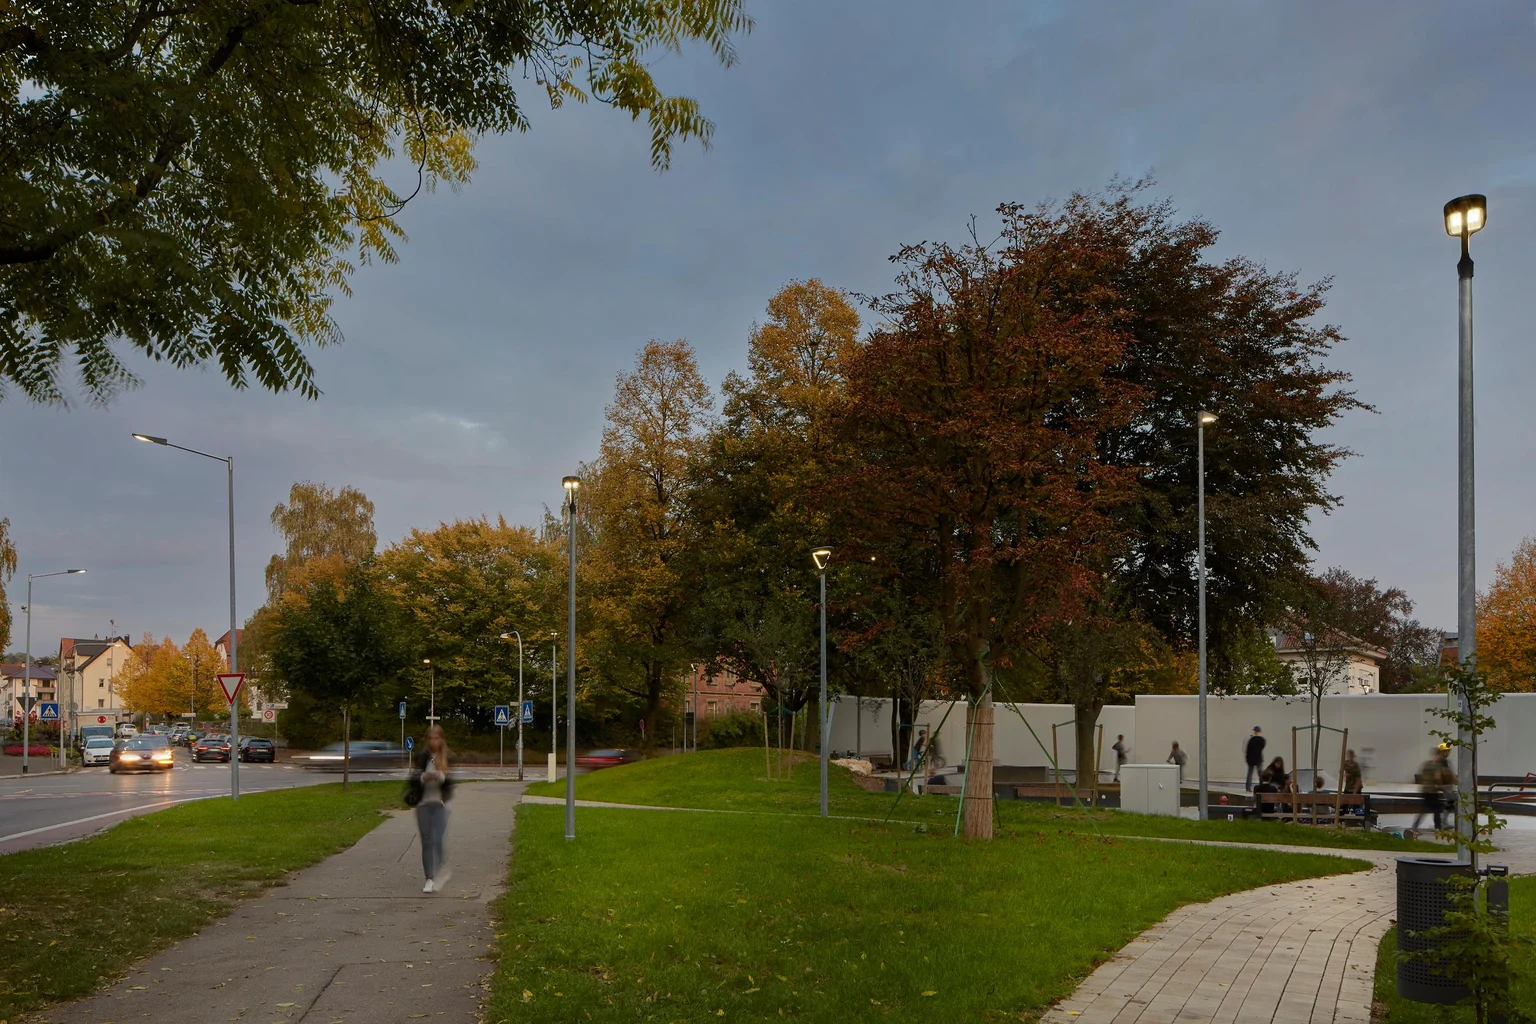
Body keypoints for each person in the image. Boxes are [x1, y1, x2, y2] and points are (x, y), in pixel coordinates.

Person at [408, 725, 454, 893]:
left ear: (441, 739)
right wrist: (423, 777)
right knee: (427, 841)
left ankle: (441, 864)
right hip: (423, 805)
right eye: (431, 738)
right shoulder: (421, 757)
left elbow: (450, 784)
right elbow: (412, 780)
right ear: (427, 740)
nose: (434, 742)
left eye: (437, 738)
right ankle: (429, 879)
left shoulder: (447, 757)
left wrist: (440, 776)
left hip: (441, 806)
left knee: (437, 840)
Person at [1412, 745, 1455, 833]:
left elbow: (1421, 775)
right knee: (1436, 810)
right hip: (1432, 790)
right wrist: (1440, 786)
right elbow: (1437, 777)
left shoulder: (1427, 764)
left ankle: (1415, 826)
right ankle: (1438, 828)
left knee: (1425, 809)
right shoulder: (1437, 764)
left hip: (1425, 789)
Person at [1244, 726, 1266, 791]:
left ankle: (1248, 787)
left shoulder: (1251, 740)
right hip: (1258, 758)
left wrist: (1247, 759)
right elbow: (1262, 747)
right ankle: (1262, 787)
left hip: (1251, 759)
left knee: (1250, 773)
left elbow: (1248, 750)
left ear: (1254, 731)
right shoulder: (1262, 740)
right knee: (1260, 773)